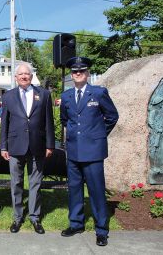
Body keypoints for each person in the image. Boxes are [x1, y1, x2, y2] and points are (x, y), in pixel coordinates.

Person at [60, 57, 119, 246]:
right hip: (74, 151)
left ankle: (101, 229)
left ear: (87, 73)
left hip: (93, 151)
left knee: (96, 191)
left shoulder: (99, 93)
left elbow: (112, 116)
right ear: (71, 74)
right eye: (75, 71)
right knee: (74, 191)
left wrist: (97, 135)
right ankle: (76, 223)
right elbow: (64, 120)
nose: (78, 74)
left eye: (82, 71)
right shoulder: (67, 95)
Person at [0, 63, 55, 234]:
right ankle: (17, 218)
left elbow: (49, 122)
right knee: (16, 183)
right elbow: (5, 123)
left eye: (27, 74)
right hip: (15, 145)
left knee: (35, 183)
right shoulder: (8, 96)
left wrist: (50, 144)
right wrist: (3, 146)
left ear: (31, 76)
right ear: (16, 77)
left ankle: (35, 218)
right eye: (20, 74)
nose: (24, 76)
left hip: (37, 145)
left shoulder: (44, 95)